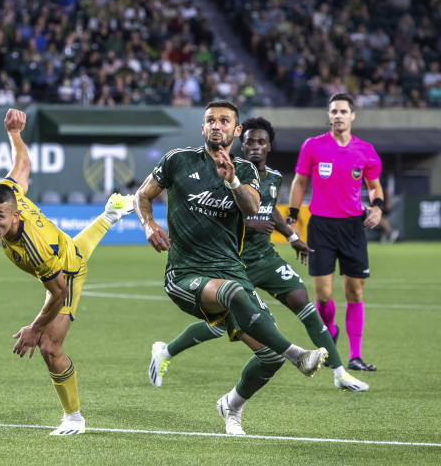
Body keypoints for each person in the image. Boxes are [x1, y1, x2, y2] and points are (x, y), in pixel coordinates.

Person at [134, 100, 328, 435]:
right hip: (185, 273)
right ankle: (297, 353)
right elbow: (142, 195)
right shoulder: (177, 160)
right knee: (235, 294)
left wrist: (233, 180)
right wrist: (148, 225)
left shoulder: (247, 170)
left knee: (269, 357)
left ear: (236, 130)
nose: (216, 125)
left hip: (230, 269)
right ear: (203, 127)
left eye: (224, 121)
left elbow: (253, 207)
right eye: (210, 120)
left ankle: (231, 406)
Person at [148, 117, 369, 392]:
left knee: (304, 303)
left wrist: (291, 237)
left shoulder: (273, 178)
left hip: (266, 256)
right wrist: (251, 223)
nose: (254, 146)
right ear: (241, 143)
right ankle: (166, 352)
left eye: (260, 142)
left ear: (269, 146)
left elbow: (270, 210)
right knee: (223, 325)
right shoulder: (229, 174)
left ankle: (339, 373)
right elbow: (225, 213)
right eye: (250, 141)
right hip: (235, 260)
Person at [0, 108, 135, 436]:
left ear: (14, 215)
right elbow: (22, 166)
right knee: (75, 249)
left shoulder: (32, 249)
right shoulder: (11, 195)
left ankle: (74, 419)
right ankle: (110, 215)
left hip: (67, 272)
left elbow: (59, 291)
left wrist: (35, 328)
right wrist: (15, 134)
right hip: (63, 248)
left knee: (50, 348)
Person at [287, 93, 384, 372]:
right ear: (329, 116)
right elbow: (299, 181)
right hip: (321, 226)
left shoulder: (365, 150)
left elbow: (375, 186)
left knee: (354, 292)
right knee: (324, 295)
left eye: (343, 111)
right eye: (334, 111)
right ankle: (329, 333)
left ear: (353, 115)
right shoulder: (313, 146)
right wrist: (292, 217)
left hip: (353, 227)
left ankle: (355, 356)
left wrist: (377, 208)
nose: (338, 115)